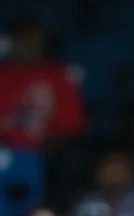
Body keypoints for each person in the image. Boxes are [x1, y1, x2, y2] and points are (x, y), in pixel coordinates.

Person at [0, 17, 85, 149]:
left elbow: (70, 128)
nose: (30, 46)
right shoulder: (3, 74)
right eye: (24, 40)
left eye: (35, 41)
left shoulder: (58, 76)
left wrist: (43, 149)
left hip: (43, 153)